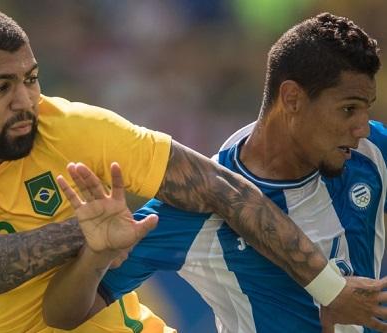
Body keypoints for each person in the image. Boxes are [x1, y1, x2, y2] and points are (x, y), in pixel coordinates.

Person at [42, 12, 387, 333]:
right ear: (292, 98)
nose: (360, 127)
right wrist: (95, 257)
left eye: (365, 109)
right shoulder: (193, 209)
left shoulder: (372, 152)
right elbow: (64, 316)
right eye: (348, 109)